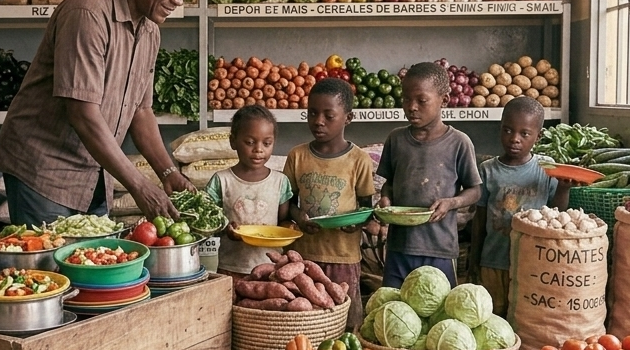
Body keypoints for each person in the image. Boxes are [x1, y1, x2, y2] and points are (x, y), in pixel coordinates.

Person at [0, 0, 196, 225]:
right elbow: (83, 114)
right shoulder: (88, 13)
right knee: (50, 267)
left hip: (93, 175)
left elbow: (141, 111)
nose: (178, 1)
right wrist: (138, 185)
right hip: (45, 173)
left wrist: (168, 172)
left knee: (92, 262)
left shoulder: (150, 31)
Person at [370, 62, 482, 288]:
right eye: (406, 99)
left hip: (438, 248)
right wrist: (386, 199)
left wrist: (452, 202)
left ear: (444, 99)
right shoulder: (396, 139)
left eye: (421, 100)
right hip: (398, 247)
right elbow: (389, 183)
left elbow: (475, 190)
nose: (411, 107)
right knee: (394, 306)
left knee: (437, 310)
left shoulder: (459, 143)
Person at [286, 78, 377, 327]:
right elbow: (288, 203)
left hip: (344, 256)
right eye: (312, 113)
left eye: (329, 115)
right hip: (304, 256)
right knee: (306, 320)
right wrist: (299, 216)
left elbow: (367, 208)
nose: (318, 121)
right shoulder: (297, 156)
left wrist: (356, 223)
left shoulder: (359, 160)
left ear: (348, 118)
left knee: (346, 321)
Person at [470, 96, 571, 320]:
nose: (514, 139)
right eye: (507, 130)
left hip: (532, 264)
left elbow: (557, 215)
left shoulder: (546, 169)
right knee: (491, 318)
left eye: (524, 133)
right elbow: (479, 219)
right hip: (493, 261)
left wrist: (563, 189)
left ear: (538, 136)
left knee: (526, 319)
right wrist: (473, 260)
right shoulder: (488, 170)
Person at [205, 105, 292, 280]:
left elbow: (283, 220)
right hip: (231, 266)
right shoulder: (222, 180)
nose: (259, 149)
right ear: (233, 141)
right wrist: (225, 229)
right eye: (250, 142)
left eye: (266, 143)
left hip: (271, 267)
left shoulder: (280, 182)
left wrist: (290, 227)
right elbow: (209, 221)